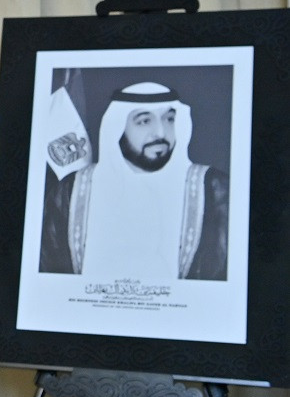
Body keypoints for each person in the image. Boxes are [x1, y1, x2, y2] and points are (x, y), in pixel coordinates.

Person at [39, 81, 229, 280]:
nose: (161, 133)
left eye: (169, 119)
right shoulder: (72, 191)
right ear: (117, 128)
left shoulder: (214, 189)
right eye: (144, 121)